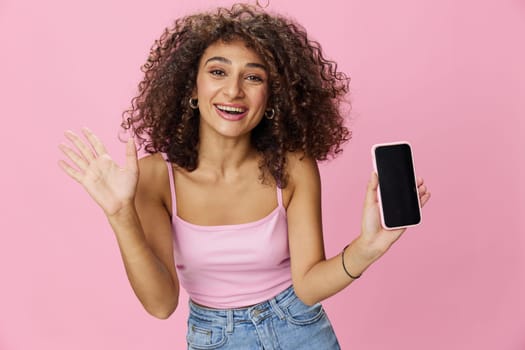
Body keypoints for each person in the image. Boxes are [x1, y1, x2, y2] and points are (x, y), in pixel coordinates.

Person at [58, 3, 430, 349]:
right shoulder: (157, 177)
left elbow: (308, 285)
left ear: (272, 96)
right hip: (214, 338)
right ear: (192, 86)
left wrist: (369, 247)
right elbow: (161, 304)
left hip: (301, 330)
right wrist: (120, 214)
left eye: (253, 77)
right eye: (218, 72)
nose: (233, 91)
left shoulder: (293, 167)